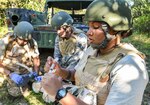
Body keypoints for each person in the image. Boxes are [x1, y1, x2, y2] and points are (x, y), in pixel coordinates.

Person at [41, 0, 149, 105]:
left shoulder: (130, 66)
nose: (88, 32)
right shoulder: (92, 50)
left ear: (115, 29)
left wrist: (60, 93)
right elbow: (76, 75)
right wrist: (60, 71)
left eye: (96, 27)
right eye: (89, 26)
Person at [32, 11, 88, 103]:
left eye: (59, 29)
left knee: (60, 87)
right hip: (63, 67)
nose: (58, 32)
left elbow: (76, 61)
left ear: (68, 27)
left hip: (75, 70)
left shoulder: (81, 37)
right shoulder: (59, 37)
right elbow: (57, 55)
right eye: (56, 29)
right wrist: (53, 67)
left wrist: (60, 76)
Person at [0, 21, 40, 97]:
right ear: (16, 35)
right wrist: (10, 74)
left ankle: (28, 82)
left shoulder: (32, 42)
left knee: (39, 86)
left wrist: (36, 73)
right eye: (22, 40)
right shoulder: (4, 42)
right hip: (12, 72)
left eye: (27, 40)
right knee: (16, 93)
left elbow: (36, 58)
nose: (25, 42)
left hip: (27, 71)